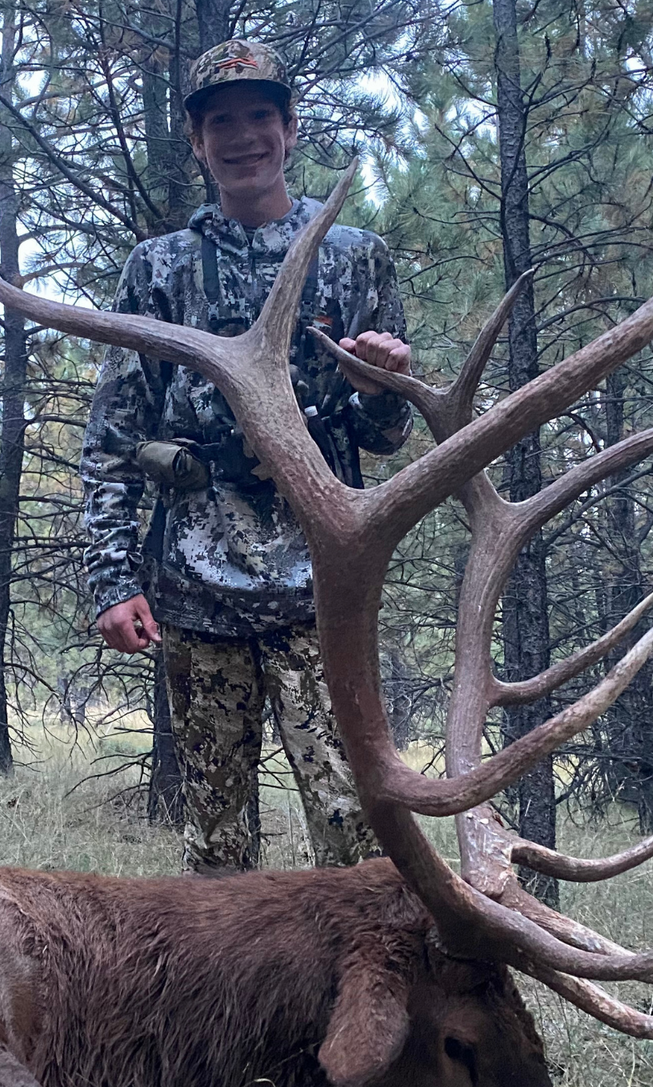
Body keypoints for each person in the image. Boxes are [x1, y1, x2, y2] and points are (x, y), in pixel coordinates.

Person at [81, 37, 414, 874]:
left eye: (259, 117)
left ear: (290, 128)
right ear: (197, 142)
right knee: (216, 846)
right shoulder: (157, 268)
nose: (242, 138)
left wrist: (381, 385)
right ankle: (226, 1006)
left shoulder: (354, 255)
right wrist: (113, 580)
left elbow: (384, 437)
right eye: (220, 123)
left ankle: (359, 997)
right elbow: (115, 434)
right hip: (197, 595)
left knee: (353, 833)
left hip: (322, 593)